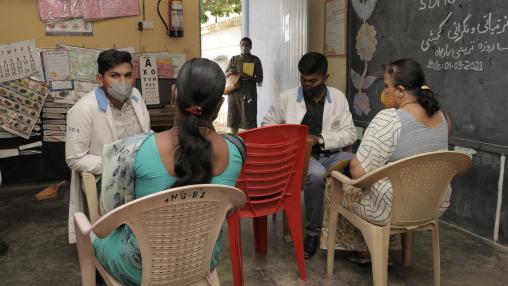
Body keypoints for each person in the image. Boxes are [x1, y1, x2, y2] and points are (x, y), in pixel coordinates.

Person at [94, 58, 246, 286]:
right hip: (201, 261)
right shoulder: (236, 152)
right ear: (220, 104)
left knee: (94, 237)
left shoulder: (134, 150)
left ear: (174, 93)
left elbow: (109, 214)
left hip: (140, 267)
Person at [321, 58, 452, 261]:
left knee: (335, 182)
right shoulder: (443, 117)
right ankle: (391, 252)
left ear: (400, 91)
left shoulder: (389, 118)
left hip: (392, 208)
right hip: (432, 204)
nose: (385, 92)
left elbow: (358, 172)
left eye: (386, 86)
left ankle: (365, 249)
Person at [262, 52, 357, 259]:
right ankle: (313, 234)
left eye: (312, 80)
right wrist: (289, 140)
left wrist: (321, 139)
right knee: (316, 175)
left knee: (361, 165)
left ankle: (352, 233)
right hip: (301, 156)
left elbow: (350, 133)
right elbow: (267, 124)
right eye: (303, 79)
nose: (306, 84)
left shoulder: (338, 98)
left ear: (325, 78)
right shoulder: (288, 97)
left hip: (331, 154)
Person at [65, 49, 151, 243]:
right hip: (106, 179)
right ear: (100, 78)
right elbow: (74, 158)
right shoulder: (82, 110)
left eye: (128, 75)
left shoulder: (136, 97)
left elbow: (146, 134)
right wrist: (116, 164)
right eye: (115, 76)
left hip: (140, 173)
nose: (123, 82)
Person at [225, 37, 263, 134]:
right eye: (242, 45)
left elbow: (260, 78)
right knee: (234, 116)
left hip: (249, 93)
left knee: (249, 117)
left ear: (251, 47)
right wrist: (230, 73)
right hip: (235, 92)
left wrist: (247, 76)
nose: (244, 47)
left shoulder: (255, 60)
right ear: (240, 46)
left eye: (247, 45)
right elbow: (225, 74)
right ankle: (234, 139)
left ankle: (251, 140)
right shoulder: (234, 59)